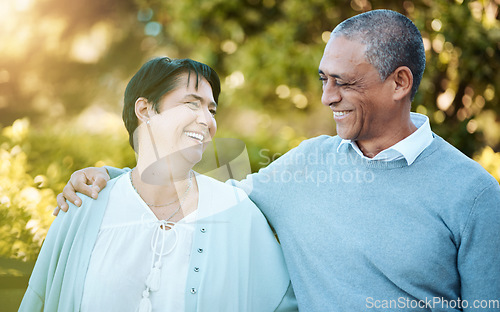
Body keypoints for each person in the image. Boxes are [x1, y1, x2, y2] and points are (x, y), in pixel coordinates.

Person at [56, 10, 500, 311]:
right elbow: (211, 198)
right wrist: (115, 179)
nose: (328, 98)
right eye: (324, 80)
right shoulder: (306, 164)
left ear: (400, 82)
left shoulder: (474, 194)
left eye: (343, 83)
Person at [20, 57, 297, 312]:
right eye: (191, 103)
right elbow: (39, 300)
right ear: (145, 109)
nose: (207, 120)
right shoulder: (83, 206)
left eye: (211, 109)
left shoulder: (235, 212)